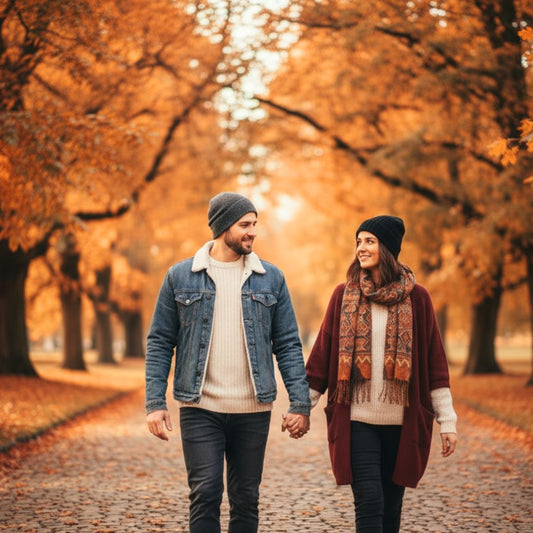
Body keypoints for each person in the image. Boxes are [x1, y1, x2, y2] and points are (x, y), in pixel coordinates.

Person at [145, 192, 310, 533]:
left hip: (252, 409)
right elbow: (160, 341)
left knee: (245, 497)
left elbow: (289, 344)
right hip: (199, 405)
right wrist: (155, 403)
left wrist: (300, 403)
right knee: (205, 492)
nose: (252, 232)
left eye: (254, 225)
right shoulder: (180, 277)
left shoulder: (271, 278)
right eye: (244, 225)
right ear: (222, 227)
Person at [306, 215, 457, 533]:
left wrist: (448, 422)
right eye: (358, 241)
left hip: (403, 423)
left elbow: (435, 367)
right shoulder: (342, 296)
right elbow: (320, 360)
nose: (361, 247)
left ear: (387, 247)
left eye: (369, 241)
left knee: (391, 507)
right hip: (357, 420)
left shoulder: (418, 299)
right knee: (370, 502)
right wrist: (300, 408)